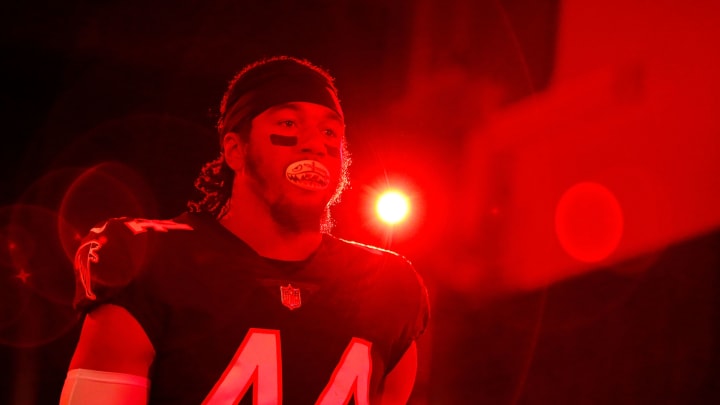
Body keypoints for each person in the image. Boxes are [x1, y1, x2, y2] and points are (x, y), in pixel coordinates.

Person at [59, 55, 430, 404]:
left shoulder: (389, 286)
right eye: (288, 123)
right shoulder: (153, 259)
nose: (315, 144)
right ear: (235, 150)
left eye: (330, 132)